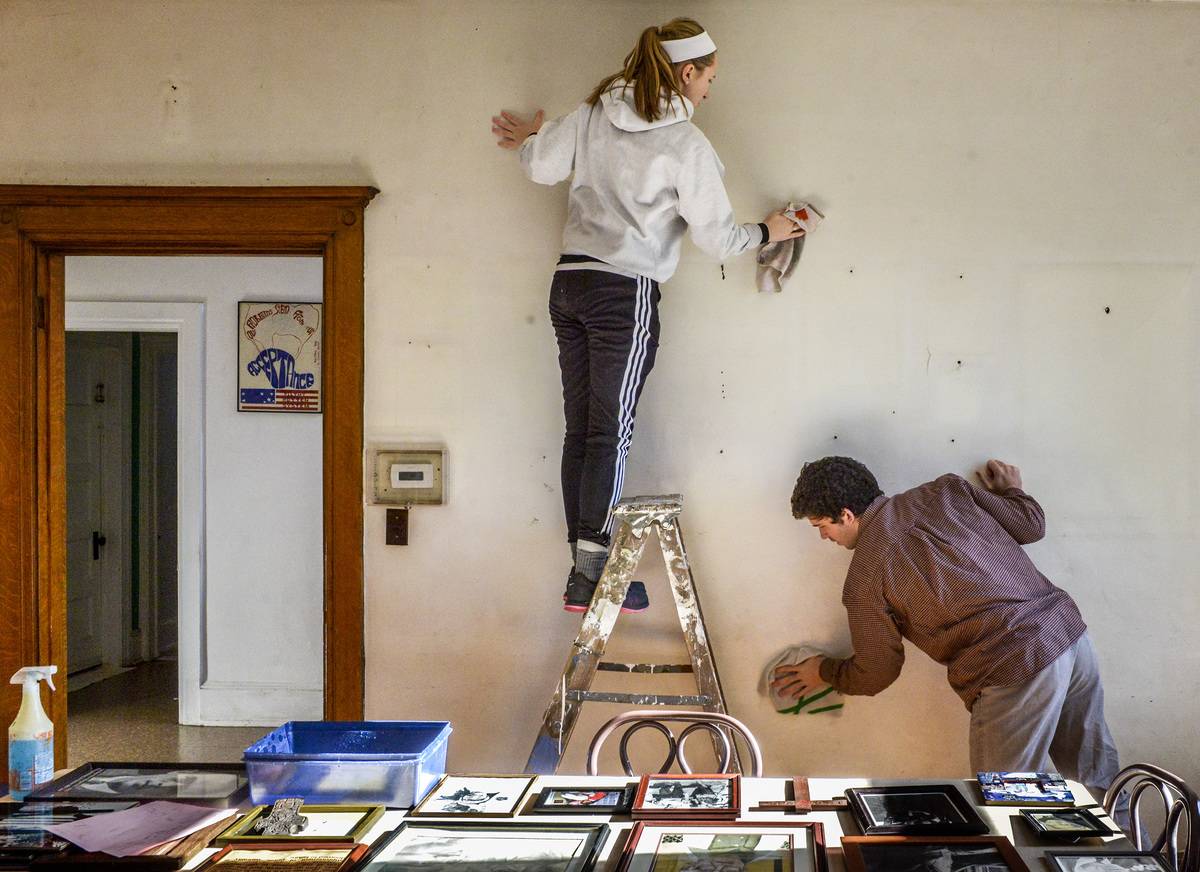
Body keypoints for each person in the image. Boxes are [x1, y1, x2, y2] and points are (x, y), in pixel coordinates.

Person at [492, 19, 804, 613]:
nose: (708, 91)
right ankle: (593, 574)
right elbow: (717, 239)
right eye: (708, 79)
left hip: (569, 283)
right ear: (686, 73)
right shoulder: (686, 144)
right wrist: (768, 231)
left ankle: (583, 573)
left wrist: (536, 136)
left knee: (582, 429)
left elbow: (540, 167)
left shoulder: (591, 113)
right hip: (623, 292)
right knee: (610, 431)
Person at [772, 456, 1120, 797]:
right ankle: (1130, 837)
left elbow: (877, 671)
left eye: (821, 526)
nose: (823, 537)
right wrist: (1013, 491)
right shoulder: (946, 491)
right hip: (1067, 635)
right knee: (1096, 781)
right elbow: (1030, 526)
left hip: (1010, 666)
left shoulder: (865, 580)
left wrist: (823, 672)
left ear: (846, 515)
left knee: (1011, 800)